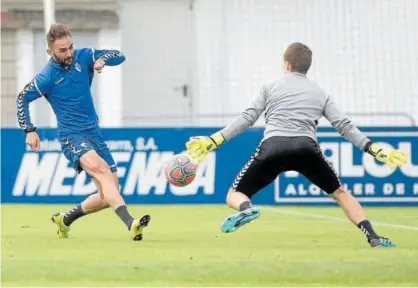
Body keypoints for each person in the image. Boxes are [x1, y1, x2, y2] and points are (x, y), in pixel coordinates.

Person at [185, 42, 407, 248]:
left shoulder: (270, 87)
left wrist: (213, 140)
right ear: (307, 67)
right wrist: (372, 148)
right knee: (340, 193)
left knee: (235, 194)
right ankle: (373, 237)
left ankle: (246, 209)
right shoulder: (320, 92)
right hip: (306, 148)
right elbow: (344, 126)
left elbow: (247, 118)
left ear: (286, 63)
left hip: (273, 147)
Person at [16, 23, 150, 241]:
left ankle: (65, 220)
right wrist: (29, 130)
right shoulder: (47, 76)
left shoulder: (84, 56)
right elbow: (22, 98)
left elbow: (119, 55)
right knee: (101, 169)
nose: (69, 53)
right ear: (50, 51)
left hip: (94, 133)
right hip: (71, 135)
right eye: (62, 50)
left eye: (70, 47)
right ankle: (130, 223)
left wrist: (102, 60)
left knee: (108, 194)